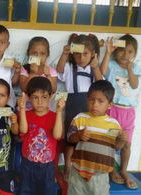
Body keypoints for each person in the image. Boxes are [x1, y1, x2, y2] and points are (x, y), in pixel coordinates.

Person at [67, 80, 128, 195]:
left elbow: (115, 147)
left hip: (101, 175)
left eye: (100, 101)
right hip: (78, 172)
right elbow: (70, 138)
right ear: (87, 99)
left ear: (110, 104)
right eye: (91, 100)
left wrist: (122, 140)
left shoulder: (114, 124)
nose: (95, 105)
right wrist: (79, 135)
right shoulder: (80, 118)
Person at [56, 33, 102, 181]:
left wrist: (95, 68)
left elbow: (101, 84)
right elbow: (59, 70)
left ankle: (87, 168)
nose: (81, 58)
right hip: (73, 106)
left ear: (93, 55)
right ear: (72, 54)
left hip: (90, 109)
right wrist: (64, 54)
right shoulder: (70, 67)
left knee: (88, 139)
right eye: (77, 54)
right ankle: (68, 168)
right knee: (71, 139)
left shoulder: (94, 69)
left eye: (85, 54)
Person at [100, 34, 140, 189]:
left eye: (130, 52)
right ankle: (110, 169)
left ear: (134, 54)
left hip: (128, 112)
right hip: (113, 109)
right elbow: (102, 72)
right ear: (116, 51)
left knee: (127, 144)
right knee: (110, 143)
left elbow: (135, 85)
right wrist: (108, 52)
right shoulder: (111, 63)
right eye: (122, 51)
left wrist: (130, 71)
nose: (125, 55)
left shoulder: (136, 67)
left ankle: (123, 170)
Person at [18, 77, 65, 195]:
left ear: (50, 97)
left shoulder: (54, 116)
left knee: (47, 191)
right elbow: (23, 130)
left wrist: (59, 112)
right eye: (35, 97)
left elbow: (57, 135)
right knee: (26, 191)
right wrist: (22, 109)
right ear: (29, 98)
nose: (40, 102)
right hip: (28, 164)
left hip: (47, 166)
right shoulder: (27, 114)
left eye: (44, 97)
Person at [19, 36, 58, 111]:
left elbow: (53, 90)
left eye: (42, 54)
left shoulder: (51, 71)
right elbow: (24, 89)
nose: (38, 57)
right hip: (26, 109)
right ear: (28, 54)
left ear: (47, 55)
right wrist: (32, 73)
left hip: (44, 110)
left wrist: (48, 75)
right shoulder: (25, 69)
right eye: (34, 53)